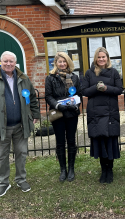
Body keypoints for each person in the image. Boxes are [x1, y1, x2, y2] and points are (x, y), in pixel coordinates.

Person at [0, 51, 40, 198]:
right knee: (1, 156)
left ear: (15, 63)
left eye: (11, 61)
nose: (8, 64)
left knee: (21, 153)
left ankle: (21, 180)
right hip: (1, 127)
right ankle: (3, 183)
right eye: (5, 61)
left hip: (21, 125)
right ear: (0, 62)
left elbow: (32, 98)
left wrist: (35, 114)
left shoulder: (24, 78)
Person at [82, 47, 123, 184]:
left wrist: (106, 88)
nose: (101, 59)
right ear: (95, 58)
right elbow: (84, 91)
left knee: (110, 142)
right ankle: (103, 170)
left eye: (103, 57)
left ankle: (109, 169)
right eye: (99, 57)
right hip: (95, 113)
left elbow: (119, 89)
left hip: (110, 112)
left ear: (107, 58)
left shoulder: (114, 72)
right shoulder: (89, 72)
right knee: (100, 142)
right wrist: (95, 88)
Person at [45, 52, 81, 182]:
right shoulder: (50, 78)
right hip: (58, 113)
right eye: (59, 61)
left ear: (68, 62)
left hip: (71, 113)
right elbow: (48, 96)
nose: (62, 64)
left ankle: (71, 168)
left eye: (64, 61)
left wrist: (75, 104)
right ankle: (63, 169)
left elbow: (79, 94)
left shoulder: (75, 77)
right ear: (55, 63)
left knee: (71, 140)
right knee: (60, 142)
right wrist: (58, 105)